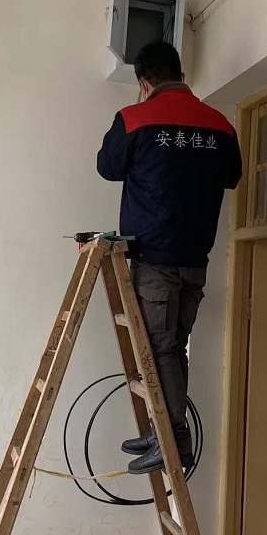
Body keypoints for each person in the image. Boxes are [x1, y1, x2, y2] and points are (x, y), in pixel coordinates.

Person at [97, 41, 242, 475]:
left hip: (154, 259)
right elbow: (232, 176)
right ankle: (164, 432)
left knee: (160, 348)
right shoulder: (219, 125)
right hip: (196, 260)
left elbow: (107, 166)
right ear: (180, 74)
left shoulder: (134, 118)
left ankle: (173, 440)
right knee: (173, 347)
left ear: (143, 82)